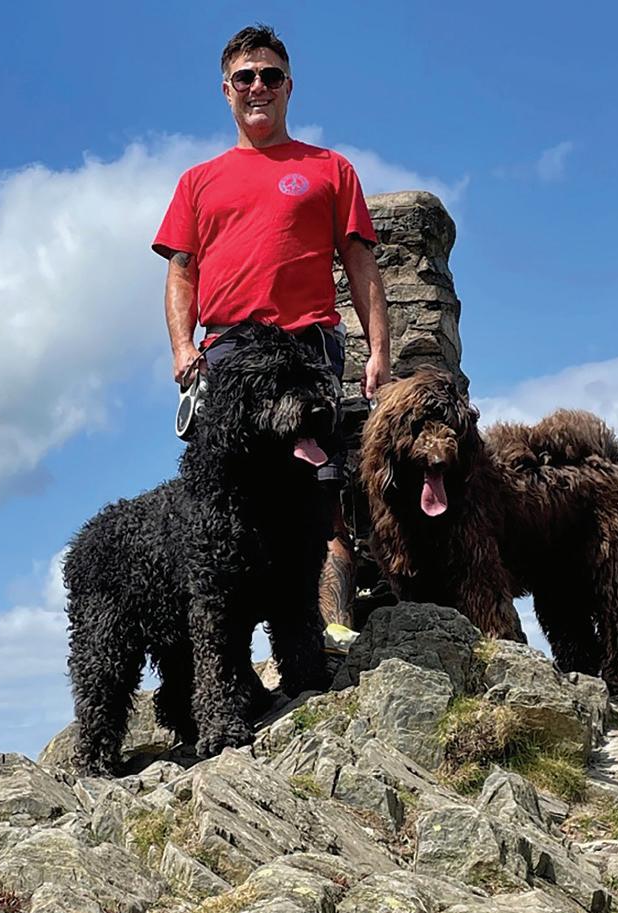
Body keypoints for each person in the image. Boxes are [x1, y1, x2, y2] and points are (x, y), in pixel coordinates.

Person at [152, 24, 390, 640]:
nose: (258, 86)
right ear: (225, 90)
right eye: (245, 77)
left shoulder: (329, 168)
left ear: (289, 86)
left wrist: (379, 352)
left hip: (308, 350)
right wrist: (182, 348)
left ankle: (328, 639)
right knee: (224, 508)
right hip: (228, 354)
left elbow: (361, 262)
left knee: (320, 500)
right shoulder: (197, 181)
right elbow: (181, 272)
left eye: (270, 75)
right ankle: (234, 658)